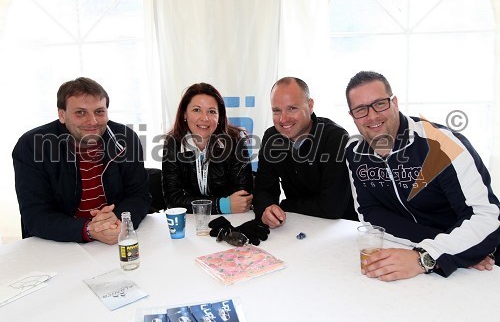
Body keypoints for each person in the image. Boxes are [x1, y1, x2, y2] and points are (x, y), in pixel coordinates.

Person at [345, 70, 500, 281]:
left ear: (395, 102)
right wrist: (451, 251)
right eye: (360, 110)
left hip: (485, 265)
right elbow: (370, 214)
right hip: (452, 253)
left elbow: (486, 218)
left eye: (380, 103)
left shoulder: (442, 144)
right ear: (352, 116)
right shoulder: (354, 153)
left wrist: (426, 257)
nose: (372, 116)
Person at [13, 77, 151, 245]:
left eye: (99, 112)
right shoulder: (32, 146)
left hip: (114, 236)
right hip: (58, 244)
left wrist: (119, 222)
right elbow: (35, 215)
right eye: (80, 113)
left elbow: (139, 195)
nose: (92, 121)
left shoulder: (126, 138)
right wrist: (88, 229)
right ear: (62, 115)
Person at [253, 77, 355, 228]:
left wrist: (286, 205)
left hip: (341, 229)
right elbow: (263, 189)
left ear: (310, 105)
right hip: (297, 226)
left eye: (292, 108)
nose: (283, 119)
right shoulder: (271, 137)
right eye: (276, 111)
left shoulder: (335, 138)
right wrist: (267, 209)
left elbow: (332, 207)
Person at [162, 82, 253, 214]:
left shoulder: (235, 141)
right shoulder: (172, 144)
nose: (204, 118)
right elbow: (173, 200)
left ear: (219, 116)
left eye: (211, 111)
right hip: (192, 222)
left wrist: (193, 203)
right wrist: (222, 205)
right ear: (184, 114)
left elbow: (243, 198)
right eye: (196, 110)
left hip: (231, 219)